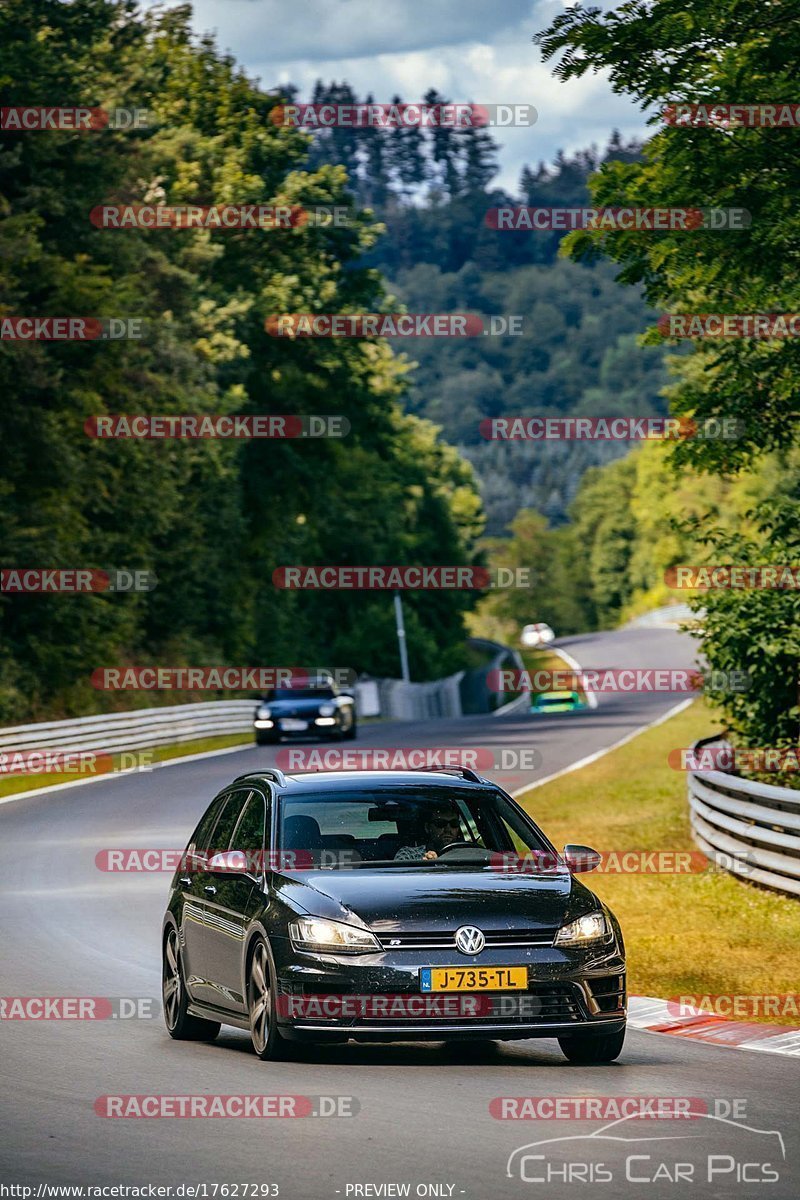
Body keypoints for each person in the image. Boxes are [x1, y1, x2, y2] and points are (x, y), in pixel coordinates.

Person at [394, 804, 464, 861]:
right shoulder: (410, 854)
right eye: (440, 823)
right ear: (427, 828)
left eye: (454, 823)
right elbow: (398, 876)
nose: (448, 829)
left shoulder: (468, 855)